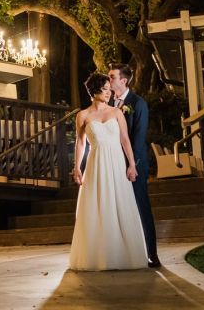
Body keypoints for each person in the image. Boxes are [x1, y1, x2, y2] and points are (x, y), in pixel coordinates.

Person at [69, 72, 148, 271]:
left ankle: (124, 254)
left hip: (116, 164)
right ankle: (99, 256)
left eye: (109, 89)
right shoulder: (83, 115)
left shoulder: (116, 112)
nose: (109, 93)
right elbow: (80, 143)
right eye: (104, 89)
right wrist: (77, 166)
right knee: (98, 207)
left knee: (119, 203)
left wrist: (131, 164)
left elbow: (124, 140)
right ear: (94, 91)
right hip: (95, 165)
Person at [109, 63, 160, 268]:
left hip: (134, 164)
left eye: (112, 76)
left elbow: (138, 139)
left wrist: (133, 165)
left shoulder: (137, 103)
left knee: (141, 207)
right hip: (113, 163)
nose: (109, 80)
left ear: (124, 80)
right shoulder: (109, 103)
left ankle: (152, 253)